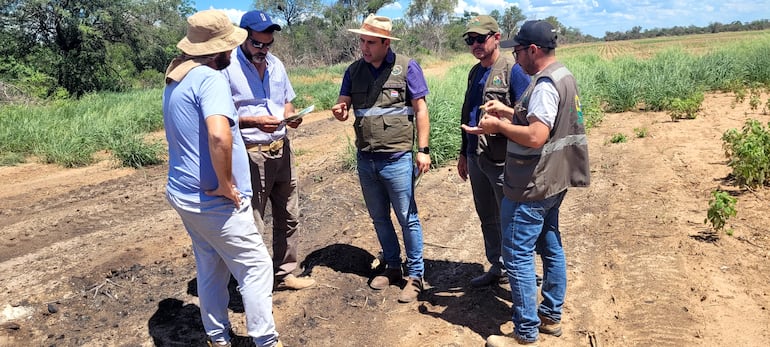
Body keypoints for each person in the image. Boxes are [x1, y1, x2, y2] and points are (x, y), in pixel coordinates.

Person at [461, 20, 590, 346]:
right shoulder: (562, 75)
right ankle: (550, 317)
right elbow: (538, 119)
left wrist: (499, 128)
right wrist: (507, 111)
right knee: (550, 245)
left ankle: (525, 332)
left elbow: (536, 135)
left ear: (533, 50)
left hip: (532, 183)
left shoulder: (544, 83)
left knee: (517, 256)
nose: (515, 56)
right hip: (554, 180)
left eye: (518, 50)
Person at [162, 10, 282, 347]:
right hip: (215, 200)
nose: (232, 51)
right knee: (256, 267)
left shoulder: (176, 77)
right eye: (228, 46)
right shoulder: (210, 79)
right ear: (217, 50)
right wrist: (227, 184)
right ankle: (266, 340)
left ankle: (217, 337)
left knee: (211, 265)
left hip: (185, 194)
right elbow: (218, 135)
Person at [331, 14, 431, 304]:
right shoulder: (353, 71)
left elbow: (421, 110)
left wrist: (423, 150)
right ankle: (392, 266)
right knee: (378, 218)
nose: (364, 47)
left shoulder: (407, 67)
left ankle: (416, 276)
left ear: (386, 43)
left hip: (398, 159)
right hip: (366, 159)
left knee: (407, 218)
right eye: (361, 41)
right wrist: (340, 111)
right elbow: (344, 105)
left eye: (371, 42)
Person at [222, 10, 316, 291]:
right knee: (252, 221)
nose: (263, 50)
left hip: (281, 148)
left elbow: (285, 103)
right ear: (243, 39)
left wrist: (292, 116)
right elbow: (221, 118)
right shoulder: (226, 69)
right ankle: (252, 281)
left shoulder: (277, 66)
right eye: (257, 44)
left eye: (268, 44)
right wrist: (253, 121)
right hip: (249, 153)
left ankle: (285, 273)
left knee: (289, 213)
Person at [458, 15, 531, 288]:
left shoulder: (515, 70)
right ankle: (497, 266)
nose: (475, 44)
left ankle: (520, 278)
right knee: (487, 215)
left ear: (497, 37)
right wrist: (463, 153)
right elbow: (467, 114)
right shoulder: (475, 72)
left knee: (512, 222)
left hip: (505, 161)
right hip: (478, 157)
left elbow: (531, 119)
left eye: (480, 38)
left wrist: (500, 124)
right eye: (470, 40)